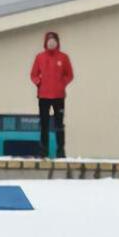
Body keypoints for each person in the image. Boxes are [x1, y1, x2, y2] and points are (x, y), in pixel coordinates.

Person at [29, 30, 73, 158]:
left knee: (59, 124)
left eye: (54, 41)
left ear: (57, 43)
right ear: (45, 43)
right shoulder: (40, 57)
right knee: (44, 124)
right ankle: (44, 151)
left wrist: (62, 83)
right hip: (43, 96)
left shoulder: (63, 57)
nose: (51, 43)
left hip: (59, 96)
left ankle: (60, 151)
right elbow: (33, 74)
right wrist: (39, 82)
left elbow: (69, 75)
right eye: (49, 41)